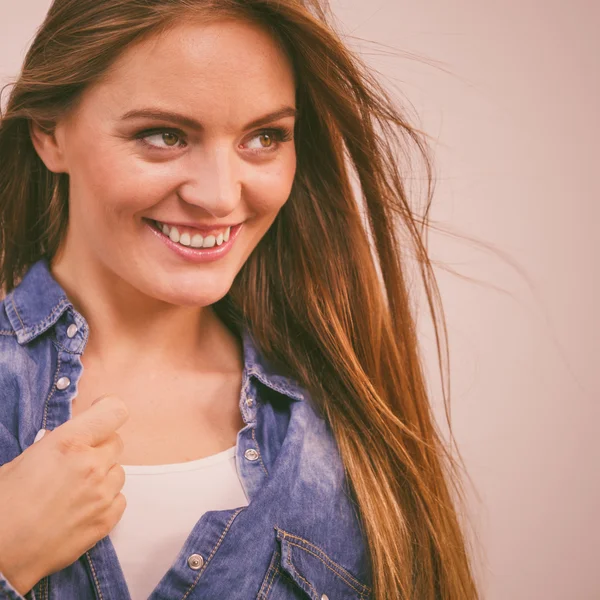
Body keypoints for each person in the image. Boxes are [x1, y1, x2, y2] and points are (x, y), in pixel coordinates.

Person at [0, 0, 480, 598]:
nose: (221, 196)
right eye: (164, 135)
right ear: (49, 134)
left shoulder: (347, 415)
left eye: (263, 137)